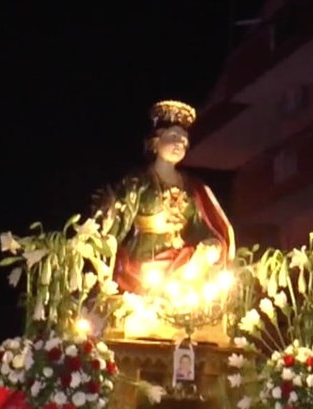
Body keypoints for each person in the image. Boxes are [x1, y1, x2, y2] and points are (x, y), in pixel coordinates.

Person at [98, 100, 235, 300]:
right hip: (144, 263)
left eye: (184, 140)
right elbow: (117, 223)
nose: (180, 144)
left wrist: (211, 243)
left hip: (181, 263)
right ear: (156, 140)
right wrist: (103, 230)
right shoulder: (138, 182)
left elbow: (199, 226)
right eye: (173, 136)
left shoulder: (192, 187)